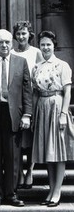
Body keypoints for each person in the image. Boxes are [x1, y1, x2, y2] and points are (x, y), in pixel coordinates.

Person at [0, 29, 32, 207]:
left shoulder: (21, 62)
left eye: (7, 42)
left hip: (14, 116)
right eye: (0, 42)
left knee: (13, 157)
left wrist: (27, 114)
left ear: (11, 43)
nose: (4, 45)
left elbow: (27, 90)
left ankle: (11, 194)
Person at [31, 30, 74, 207]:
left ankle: (57, 192)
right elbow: (34, 92)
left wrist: (63, 114)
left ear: (54, 45)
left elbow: (67, 92)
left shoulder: (62, 65)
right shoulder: (36, 67)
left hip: (57, 106)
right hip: (42, 106)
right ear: (39, 47)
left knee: (58, 151)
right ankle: (50, 189)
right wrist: (33, 115)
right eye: (42, 45)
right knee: (48, 152)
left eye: (49, 44)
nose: (46, 47)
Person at [11, 21, 43, 190]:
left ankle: (29, 170)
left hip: (32, 99)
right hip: (15, 101)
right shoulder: (10, 52)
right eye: (18, 34)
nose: (21, 37)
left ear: (29, 34)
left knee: (30, 138)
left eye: (24, 33)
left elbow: (41, 75)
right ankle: (20, 170)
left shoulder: (36, 52)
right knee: (18, 138)